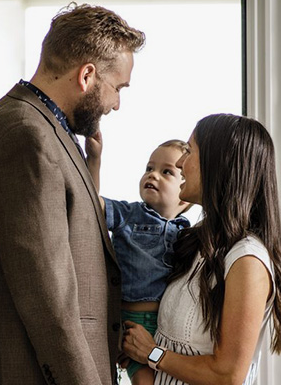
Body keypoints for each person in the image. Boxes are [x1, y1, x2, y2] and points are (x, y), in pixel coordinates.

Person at [0, 3, 145, 385]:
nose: (116, 103)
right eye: (117, 88)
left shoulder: (40, 126)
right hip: (20, 370)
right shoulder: (27, 136)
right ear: (87, 75)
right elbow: (48, 298)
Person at [121, 114, 281, 385]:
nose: (180, 162)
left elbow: (227, 375)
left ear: (218, 165)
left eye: (189, 152)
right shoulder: (197, 244)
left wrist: (152, 353)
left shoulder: (247, 260)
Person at [85, 133, 192, 385]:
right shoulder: (130, 214)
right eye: (149, 168)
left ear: (184, 195)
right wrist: (94, 160)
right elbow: (88, 202)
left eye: (167, 172)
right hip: (127, 323)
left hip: (166, 328)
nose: (153, 175)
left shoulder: (188, 233)